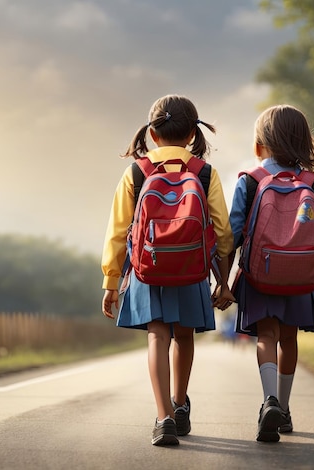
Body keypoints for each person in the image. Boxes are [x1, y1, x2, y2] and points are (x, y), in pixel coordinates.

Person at [101, 94, 235, 446]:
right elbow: (223, 231)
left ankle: (163, 418)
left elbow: (117, 231)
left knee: (157, 335)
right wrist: (223, 280)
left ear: (152, 134)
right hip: (192, 268)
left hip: (148, 268)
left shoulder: (136, 171)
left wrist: (111, 281)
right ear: (192, 133)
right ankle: (179, 405)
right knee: (184, 336)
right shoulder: (204, 173)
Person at [228, 104, 314, 443]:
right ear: (304, 143)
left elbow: (232, 237)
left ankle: (268, 400)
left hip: (260, 274)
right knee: (289, 339)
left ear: (259, 147)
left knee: (266, 337)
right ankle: (283, 409)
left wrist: (223, 283)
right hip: (302, 278)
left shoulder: (251, 180)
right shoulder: (313, 185)